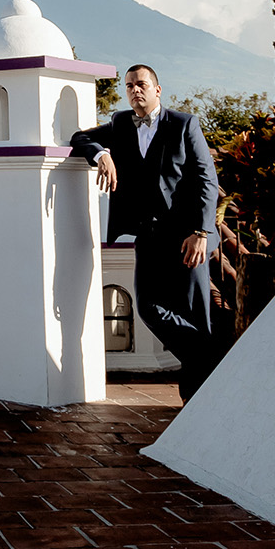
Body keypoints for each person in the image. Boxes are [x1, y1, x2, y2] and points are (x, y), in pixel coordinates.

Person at [70, 64, 221, 402]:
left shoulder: (184, 124)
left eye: (141, 84)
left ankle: (197, 400)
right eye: (129, 86)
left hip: (187, 238)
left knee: (196, 313)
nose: (135, 90)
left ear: (157, 89)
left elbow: (207, 182)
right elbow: (80, 138)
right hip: (148, 237)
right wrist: (102, 155)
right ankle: (213, 356)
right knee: (149, 308)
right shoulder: (121, 124)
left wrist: (201, 231)